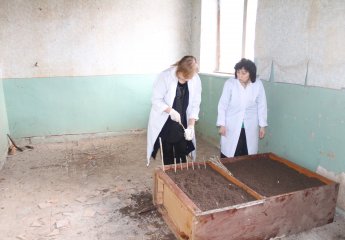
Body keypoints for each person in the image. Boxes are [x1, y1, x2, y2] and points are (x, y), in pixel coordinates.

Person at [147, 56, 202, 166]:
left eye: (186, 80)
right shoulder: (165, 76)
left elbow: (195, 104)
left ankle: (181, 177)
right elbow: (156, 100)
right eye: (182, 78)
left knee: (182, 151)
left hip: (183, 121)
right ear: (179, 68)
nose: (183, 81)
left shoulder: (195, 79)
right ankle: (169, 177)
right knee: (167, 152)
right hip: (165, 120)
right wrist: (170, 111)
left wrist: (191, 126)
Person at [217, 58, 267, 158]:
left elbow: (262, 105)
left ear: (251, 74)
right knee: (230, 152)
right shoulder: (230, 83)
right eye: (238, 72)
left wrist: (262, 125)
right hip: (232, 123)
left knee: (247, 152)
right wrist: (222, 124)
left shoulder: (258, 85)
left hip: (250, 124)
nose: (240, 75)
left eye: (243, 73)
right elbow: (222, 105)